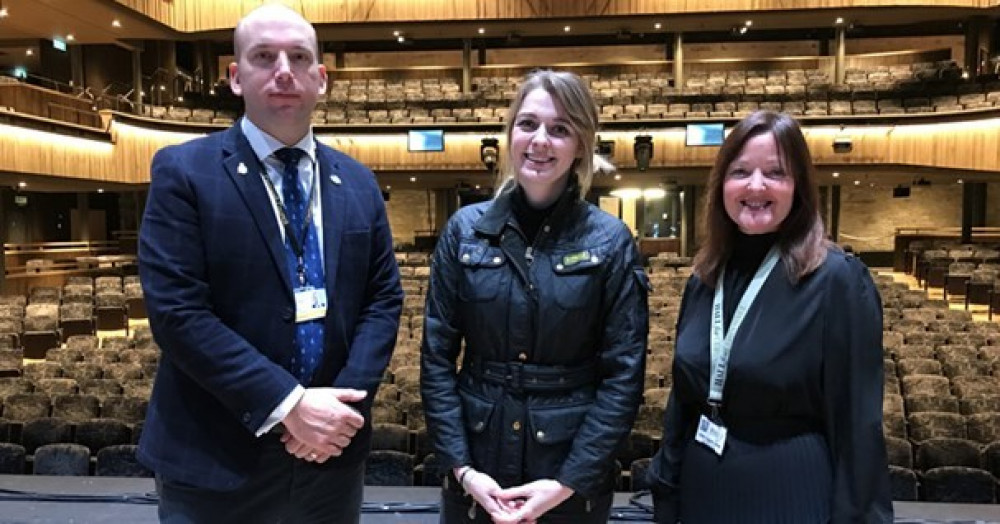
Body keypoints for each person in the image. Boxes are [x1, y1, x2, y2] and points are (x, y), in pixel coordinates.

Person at [137, 4, 402, 522]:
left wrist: (340, 410)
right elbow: (178, 315)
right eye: (264, 56)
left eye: (299, 57)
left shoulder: (358, 181)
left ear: (320, 79)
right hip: (216, 458)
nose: (284, 69)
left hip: (330, 458)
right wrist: (291, 406)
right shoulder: (183, 171)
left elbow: (383, 298)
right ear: (236, 77)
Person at [420, 69, 649, 524]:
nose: (540, 140)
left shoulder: (611, 240)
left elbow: (623, 377)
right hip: (478, 469)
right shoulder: (463, 230)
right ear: (510, 134)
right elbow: (437, 362)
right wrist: (463, 470)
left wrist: (568, 480)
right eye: (528, 124)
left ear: (581, 143)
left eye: (560, 128)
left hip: (568, 478)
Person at [647, 110, 892, 523]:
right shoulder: (705, 278)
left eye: (775, 173)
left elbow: (858, 428)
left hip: (789, 492)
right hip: (702, 490)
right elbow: (684, 401)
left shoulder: (837, 281)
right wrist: (666, 486)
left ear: (798, 186)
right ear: (721, 185)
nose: (755, 186)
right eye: (740, 171)